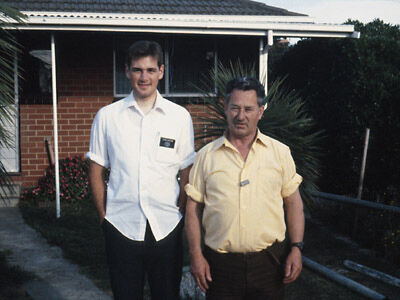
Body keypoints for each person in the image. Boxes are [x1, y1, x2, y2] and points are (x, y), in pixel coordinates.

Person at [87, 40, 195, 300]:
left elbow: (187, 171)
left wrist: (180, 210)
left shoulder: (179, 117)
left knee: (167, 295)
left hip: (167, 226)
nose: (143, 77)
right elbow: (95, 170)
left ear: (161, 71)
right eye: (137, 70)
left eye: (149, 70)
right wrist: (104, 216)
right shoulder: (107, 116)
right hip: (121, 225)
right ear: (127, 71)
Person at [185, 77, 305, 299]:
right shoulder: (205, 156)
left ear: (260, 111)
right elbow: (193, 209)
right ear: (226, 108)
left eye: (248, 109)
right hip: (220, 267)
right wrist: (195, 254)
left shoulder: (280, 153)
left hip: (269, 264)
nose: (241, 116)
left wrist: (296, 248)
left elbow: (294, 203)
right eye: (235, 108)